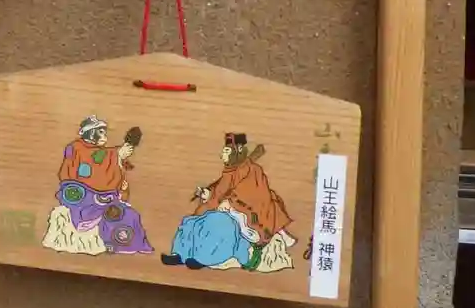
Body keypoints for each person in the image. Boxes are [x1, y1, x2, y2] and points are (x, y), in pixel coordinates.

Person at [162, 133, 297, 272]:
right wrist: (208, 194)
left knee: (218, 225)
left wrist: (229, 203)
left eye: (226, 151)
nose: (222, 155)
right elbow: (219, 192)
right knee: (191, 222)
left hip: (245, 215)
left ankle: (204, 258)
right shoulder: (230, 171)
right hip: (224, 209)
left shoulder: (253, 171)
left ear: (238, 150)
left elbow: (255, 196)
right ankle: (180, 254)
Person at [41, 115, 152, 255]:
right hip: (82, 196)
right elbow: (94, 160)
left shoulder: (99, 152)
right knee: (111, 213)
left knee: (129, 215)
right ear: (90, 132)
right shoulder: (76, 148)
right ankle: (111, 241)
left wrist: (119, 157)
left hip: (102, 195)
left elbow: (101, 158)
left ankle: (122, 244)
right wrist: (117, 154)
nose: (104, 135)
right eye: (100, 132)